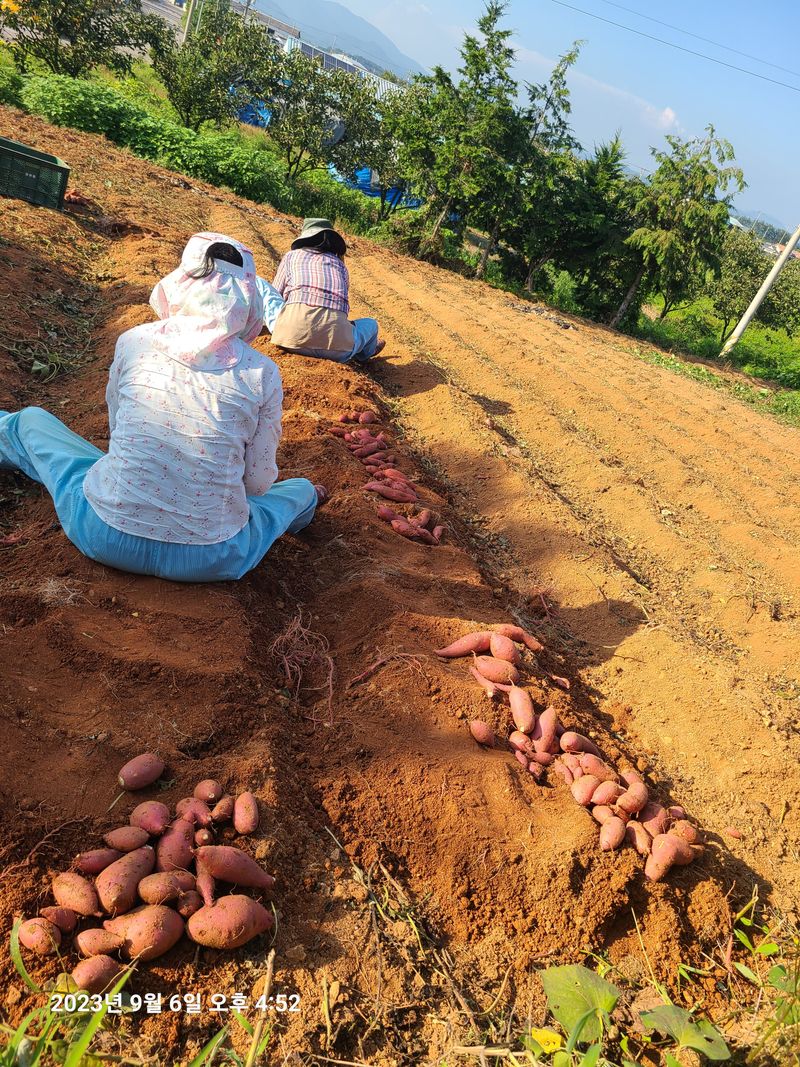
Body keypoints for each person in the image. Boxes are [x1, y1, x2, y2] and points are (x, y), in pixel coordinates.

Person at [0, 232, 327, 582]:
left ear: (181, 281)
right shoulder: (263, 372)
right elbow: (258, 485)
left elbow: (118, 430)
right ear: (248, 296)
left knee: (31, 423)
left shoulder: (134, 341)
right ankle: (307, 499)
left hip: (105, 533)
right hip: (214, 558)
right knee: (294, 491)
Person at [264, 218, 385, 363]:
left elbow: (276, 293)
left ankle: (250, 325)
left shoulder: (291, 256)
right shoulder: (340, 265)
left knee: (264, 287)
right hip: (338, 351)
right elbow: (342, 309)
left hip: (290, 339)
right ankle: (364, 354)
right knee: (371, 324)